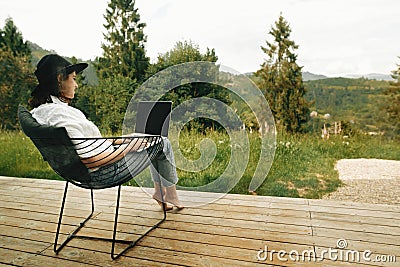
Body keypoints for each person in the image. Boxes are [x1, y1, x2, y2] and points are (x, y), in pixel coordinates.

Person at [29, 54, 183, 210]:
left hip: (98, 162)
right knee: (163, 143)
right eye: (73, 79)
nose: (76, 85)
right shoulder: (61, 116)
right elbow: (91, 160)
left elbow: (87, 144)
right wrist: (128, 147)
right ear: (60, 79)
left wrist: (122, 139)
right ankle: (169, 194)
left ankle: (160, 192)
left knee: (149, 138)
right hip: (106, 170)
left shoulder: (41, 112)